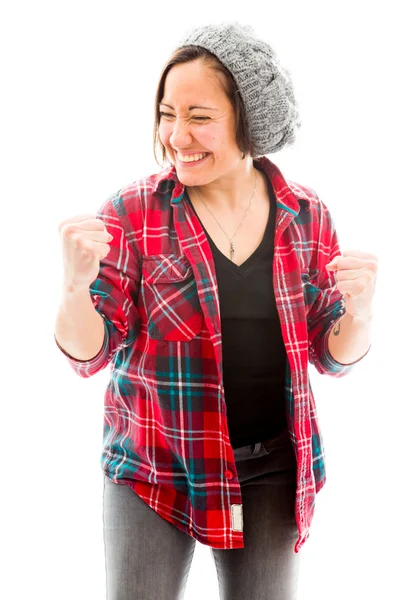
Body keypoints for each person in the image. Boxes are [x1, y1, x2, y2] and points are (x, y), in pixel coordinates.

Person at [54, 21, 374, 600]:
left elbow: (332, 356)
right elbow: (90, 353)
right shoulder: (134, 212)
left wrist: (362, 314)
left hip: (272, 469)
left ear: (252, 121)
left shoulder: (305, 214)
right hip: (155, 464)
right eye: (167, 114)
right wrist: (75, 288)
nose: (177, 136)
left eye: (200, 117)